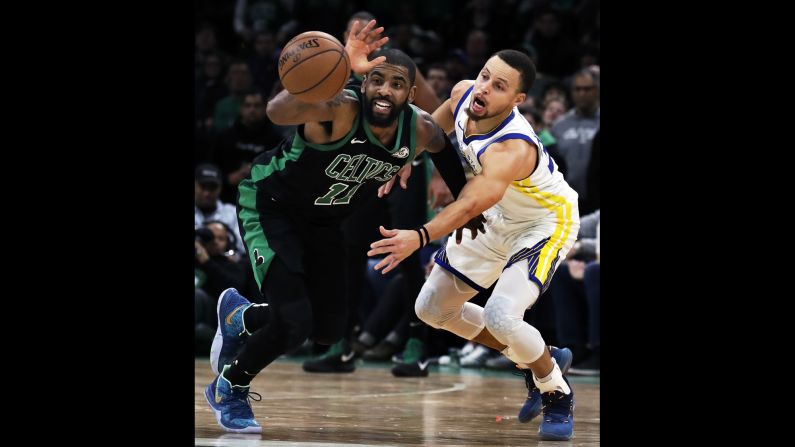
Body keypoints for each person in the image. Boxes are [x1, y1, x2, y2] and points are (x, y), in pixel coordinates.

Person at [204, 20, 474, 433]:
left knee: (328, 332)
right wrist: (341, 67)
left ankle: (240, 317)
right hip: (271, 207)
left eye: (397, 84)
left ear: (411, 94)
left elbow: (443, 149)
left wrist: (469, 208)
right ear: (363, 83)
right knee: (294, 321)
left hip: (324, 222)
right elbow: (278, 110)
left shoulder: (417, 128)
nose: (385, 90)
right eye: (376, 80)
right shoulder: (338, 108)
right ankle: (230, 386)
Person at [368, 49, 580, 441]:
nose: (483, 88)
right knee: (431, 309)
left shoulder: (512, 149)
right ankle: (538, 356)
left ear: (517, 100)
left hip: (542, 225)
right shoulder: (467, 92)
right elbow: (436, 122)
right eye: (484, 75)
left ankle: (555, 391)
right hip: (498, 219)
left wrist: (418, 236)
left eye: (499, 86)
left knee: (502, 317)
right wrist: (406, 158)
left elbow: (467, 203)